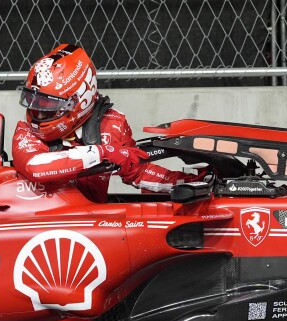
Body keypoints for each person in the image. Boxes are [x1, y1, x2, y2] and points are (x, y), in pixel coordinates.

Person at [13, 44, 205, 203]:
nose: (38, 112)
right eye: (34, 102)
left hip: (87, 225)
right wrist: (103, 153)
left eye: (48, 105)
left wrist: (189, 182)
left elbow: (137, 170)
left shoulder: (112, 125)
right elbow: (35, 166)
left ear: (82, 100)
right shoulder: (27, 130)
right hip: (37, 220)